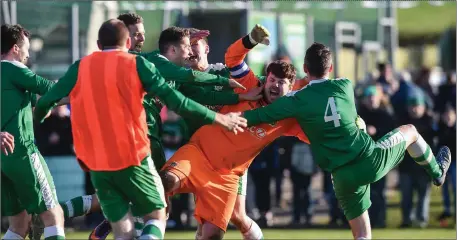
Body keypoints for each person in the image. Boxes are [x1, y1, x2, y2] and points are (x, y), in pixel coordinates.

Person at [33, 19, 247, 239]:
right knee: (158, 211)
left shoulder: (83, 65)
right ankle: (68, 214)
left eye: (143, 34)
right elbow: (179, 100)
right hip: (137, 147)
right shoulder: (141, 64)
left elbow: (47, 100)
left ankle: (66, 215)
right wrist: (220, 118)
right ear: (126, 41)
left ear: (99, 43)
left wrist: (39, 117)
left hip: (97, 157)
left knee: (124, 222)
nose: (141, 38)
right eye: (136, 34)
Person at [240, 42, 452, 240]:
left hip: (341, 176)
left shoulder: (295, 100)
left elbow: (257, 117)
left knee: (362, 235)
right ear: (330, 68)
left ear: (305, 68)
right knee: (411, 131)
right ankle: (437, 172)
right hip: (368, 159)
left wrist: (229, 111)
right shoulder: (344, 85)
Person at [158, 24, 312, 240]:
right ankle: (135, 226)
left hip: (230, 171)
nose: (191, 50)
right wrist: (251, 39)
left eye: (195, 45)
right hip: (198, 153)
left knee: (232, 220)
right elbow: (232, 57)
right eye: (187, 46)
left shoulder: (225, 73)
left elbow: (315, 134)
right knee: (165, 183)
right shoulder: (181, 78)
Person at [1, 24, 66, 240]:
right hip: (21, 151)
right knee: (53, 215)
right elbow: (53, 90)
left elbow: (38, 108)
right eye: (27, 48)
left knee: (19, 223)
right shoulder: (13, 68)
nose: (29, 54)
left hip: (2, 158)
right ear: (15, 48)